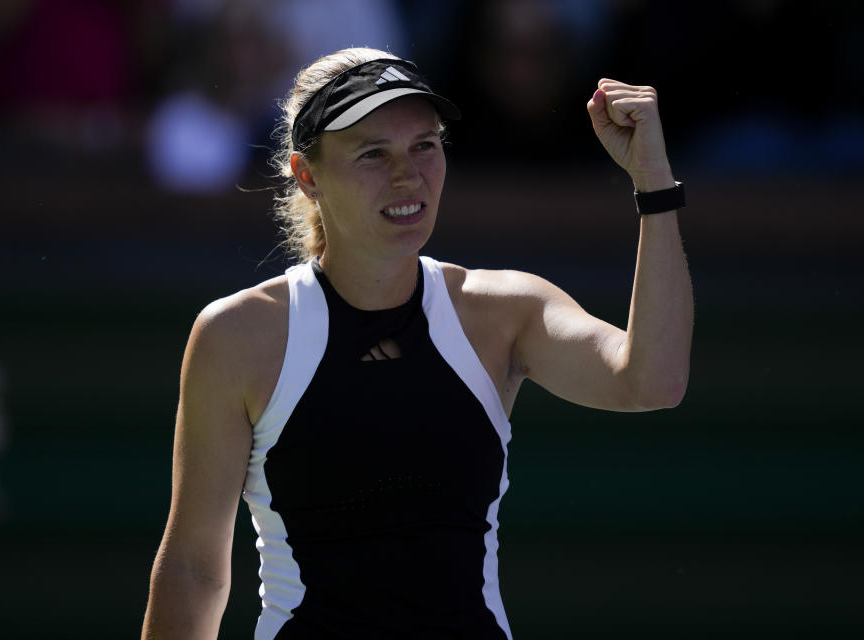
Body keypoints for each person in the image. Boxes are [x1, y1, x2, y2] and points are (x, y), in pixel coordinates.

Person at [141, 47, 693, 639]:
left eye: (424, 146)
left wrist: (653, 182)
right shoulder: (237, 334)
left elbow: (651, 381)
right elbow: (196, 568)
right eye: (374, 153)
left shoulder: (506, 309)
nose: (407, 176)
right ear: (308, 175)